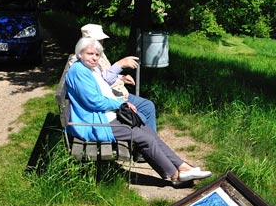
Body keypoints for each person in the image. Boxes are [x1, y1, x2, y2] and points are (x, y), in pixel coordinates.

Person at [63, 35, 209, 188]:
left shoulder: (89, 69)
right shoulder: (79, 71)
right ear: (80, 53)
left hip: (106, 116)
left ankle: (184, 167)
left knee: (148, 131)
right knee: (145, 138)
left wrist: (120, 96)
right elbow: (94, 101)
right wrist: (121, 104)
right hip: (95, 123)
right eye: (90, 54)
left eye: (97, 54)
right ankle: (175, 176)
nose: (94, 58)